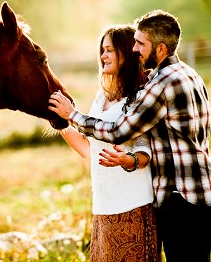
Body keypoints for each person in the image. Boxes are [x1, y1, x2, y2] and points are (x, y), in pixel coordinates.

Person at [50, 10, 211, 262]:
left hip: (179, 196)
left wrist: (72, 115)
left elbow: (119, 131)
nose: (135, 50)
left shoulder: (160, 85)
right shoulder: (189, 74)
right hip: (202, 189)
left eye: (140, 44)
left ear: (161, 49)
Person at [58, 25, 158, 262]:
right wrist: (58, 119)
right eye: (102, 50)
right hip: (103, 207)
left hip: (132, 205)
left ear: (125, 52)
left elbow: (145, 152)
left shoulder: (140, 96)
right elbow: (88, 149)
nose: (103, 56)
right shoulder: (101, 97)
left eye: (109, 50)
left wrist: (127, 160)